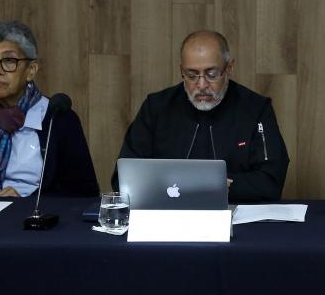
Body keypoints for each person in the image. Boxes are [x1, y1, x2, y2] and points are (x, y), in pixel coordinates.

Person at [114, 30, 289, 203]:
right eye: (191, 75)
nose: (202, 84)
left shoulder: (255, 108)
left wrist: (218, 187)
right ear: (181, 71)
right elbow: (123, 179)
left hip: (236, 215)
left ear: (229, 68)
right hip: (168, 215)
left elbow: (271, 182)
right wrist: (207, 186)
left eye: (211, 74)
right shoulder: (157, 108)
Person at [0, 21, 99, 198]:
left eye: (8, 61)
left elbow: (84, 193)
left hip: (32, 220)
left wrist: (25, 203)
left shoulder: (58, 118)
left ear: (31, 70)